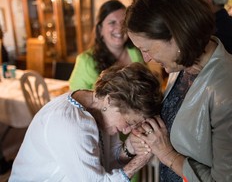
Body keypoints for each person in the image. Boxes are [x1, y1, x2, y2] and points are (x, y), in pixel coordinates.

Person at [124, 0, 232, 182]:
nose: (145, 58)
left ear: (177, 36)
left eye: (146, 49)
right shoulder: (181, 66)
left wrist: (167, 155)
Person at [9, 62, 163, 181]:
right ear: (110, 100)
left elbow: (107, 161)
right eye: (129, 122)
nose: (127, 130)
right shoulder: (70, 124)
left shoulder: (102, 110)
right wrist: (141, 160)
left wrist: (129, 148)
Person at [69, 0, 143, 91]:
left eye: (123, 22)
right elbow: (75, 98)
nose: (119, 28)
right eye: (112, 23)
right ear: (100, 29)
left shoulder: (136, 52)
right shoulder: (85, 61)